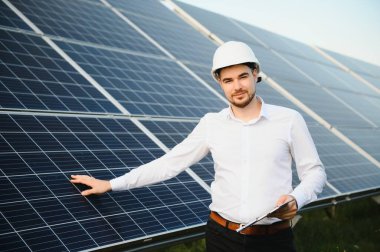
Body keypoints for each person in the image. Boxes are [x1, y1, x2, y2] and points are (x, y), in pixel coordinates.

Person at [71, 41, 326, 252]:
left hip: (274, 240)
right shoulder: (211, 124)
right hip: (221, 238)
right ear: (219, 82)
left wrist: (297, 198)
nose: (237, 87)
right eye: (228, 80)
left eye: (243, 77)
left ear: (256, 73)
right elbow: (171, 163)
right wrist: (112, 184)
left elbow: (315, 172)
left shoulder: (289, 120)